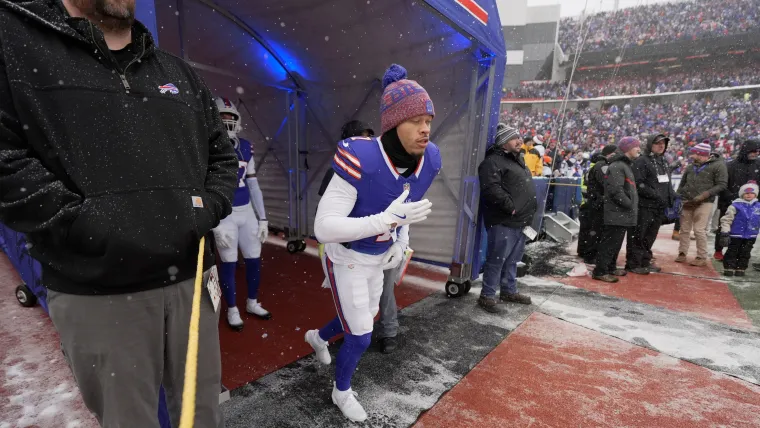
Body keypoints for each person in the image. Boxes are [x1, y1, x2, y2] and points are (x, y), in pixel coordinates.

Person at [0, 0, 238, 426]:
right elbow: (7, 161)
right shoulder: (16, 43)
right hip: (99, 290)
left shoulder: (177, 72)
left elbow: (221, 155)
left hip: (191, 279)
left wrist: (206, 209)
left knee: (202, 414)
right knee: (129, 420)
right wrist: (90, 226)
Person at [303, 64, 439, 422]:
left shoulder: (428, 160)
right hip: (347, 256)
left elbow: (407, 208)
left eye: (428, 120)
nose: (425, 128)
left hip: (380, 255)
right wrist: (385, 221)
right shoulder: (361, 156)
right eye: (415, 120)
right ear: (393, 124)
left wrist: (401, 240)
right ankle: (341, 391)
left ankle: (318, 337)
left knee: (364, 317)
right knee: (361, 334)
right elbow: (324, 227)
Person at [316, 120, 402, 354]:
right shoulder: (339, 171)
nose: (365, 142)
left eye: (368, 138)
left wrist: (402, 242)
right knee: (356, 302)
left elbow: (403, 209)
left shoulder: (387, 169)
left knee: (384, 292)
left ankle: (388, 331)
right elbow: (326, 216)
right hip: (355, 250)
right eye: (360, 137)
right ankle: (352, 334)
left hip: (384, 244)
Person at [212, 97, 271, 330]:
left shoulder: (245, 146)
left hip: (246, 211)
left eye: (231, 116)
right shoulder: (207, 145)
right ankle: (233, 308)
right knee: (229, 261)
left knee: (254, 259)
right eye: (223, 116)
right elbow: (204, 187)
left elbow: (253, 184)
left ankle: (252, 302)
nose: (227, 120)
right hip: (224, 213)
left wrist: (263, 218)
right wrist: (214, 223)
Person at [477, 124, 537, 313]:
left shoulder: (517, 160)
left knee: (512, 259)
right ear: (503, 142)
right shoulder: (493, 162)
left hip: (522, 220)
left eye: (519, 137)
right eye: (514, 138)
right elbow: (491, 188)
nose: (519, 141)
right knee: (497, 259)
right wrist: (510, 207)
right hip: (504, 220)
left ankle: (508, 290)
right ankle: (487, 295)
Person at [592, 137, 641, 283]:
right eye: (636, 146)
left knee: (616, 243)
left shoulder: (624, 165)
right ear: (627, 149)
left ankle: (610, 267)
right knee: (609, 243)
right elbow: (615, 190)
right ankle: (600, 271)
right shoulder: (617, 166)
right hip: (617, 212)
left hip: (622, 213)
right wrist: (629, 204)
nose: (639, 149)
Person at [626, 134, 674, 274]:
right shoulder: (642, 161)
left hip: (658, 207)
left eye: (663, 143)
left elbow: (666, 183)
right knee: (639, 236)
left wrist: (673, 196)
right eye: (657, 143)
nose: (661, 145)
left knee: (650, 236)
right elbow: (638, 183)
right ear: (650, 145)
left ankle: (645, 261)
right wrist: (656, 195)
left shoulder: (663, 161)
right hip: (644, 206)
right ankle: (633, 264)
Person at [676, 142, 728, 266]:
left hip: (705, 202)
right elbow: (682, 184)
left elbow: (722, 184)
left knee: (699, 230)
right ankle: (682, 252)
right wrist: (678, 197)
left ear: (701, 154)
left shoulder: (718, 166)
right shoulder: (690, 166)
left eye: (694, 154)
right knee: (684, 229)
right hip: (687, 201)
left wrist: (705, 194)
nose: (691, 156)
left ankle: (701, 256)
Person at [715, 140, 760, 261]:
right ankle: (718, 250)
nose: (756, 153)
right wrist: (731, 198)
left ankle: (738, 253)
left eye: (757, 151)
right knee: (724, 226)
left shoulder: (758, 165)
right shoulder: (730, 165)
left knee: (743, 229)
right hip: (729, 202)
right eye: (753, 151)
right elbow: (722, 184)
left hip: (750, 204)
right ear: (746, 151)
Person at [578, 145, 617, 264]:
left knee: (587, 231)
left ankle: (583, 251)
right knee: (593, 231)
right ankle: (588, 254)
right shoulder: (599, 168)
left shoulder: (591, 168)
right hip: (592, 204)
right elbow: (601, 186)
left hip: (588, 203)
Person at [718, 181, 759, 277]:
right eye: (746, 193)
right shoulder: (735, 206)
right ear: (742, 194)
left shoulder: (758, 207)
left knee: (745, 252)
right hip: (735, 234)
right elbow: (727, 220)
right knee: (732, 251)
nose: (749, 195)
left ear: (755, 194)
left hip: (751, 235)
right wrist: (725, 231)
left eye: (752, 193)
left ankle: (741, 268)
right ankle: (729, 267)